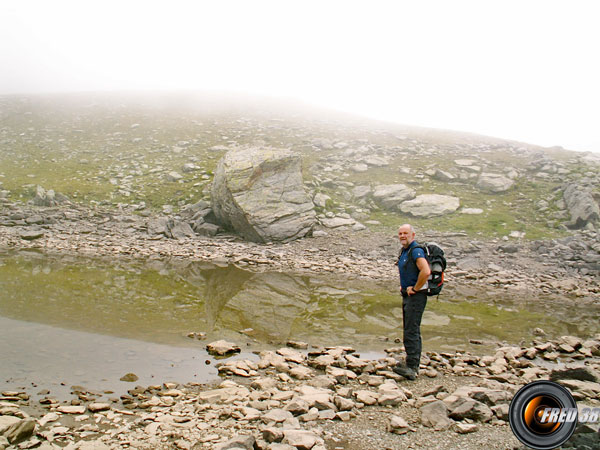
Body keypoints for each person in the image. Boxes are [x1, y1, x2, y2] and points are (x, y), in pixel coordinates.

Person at [393, 224, 431, 380]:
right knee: (410, 328)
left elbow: (426, 271)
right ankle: (411, 362)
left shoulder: (416, 251)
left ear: (412, 235)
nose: (403, 236)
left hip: (416, 296)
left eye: (406, 233)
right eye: (400, 233)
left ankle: (412, 368)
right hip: (408, 296)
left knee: (411, 330)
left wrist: (415, 288)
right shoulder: (406, 251)